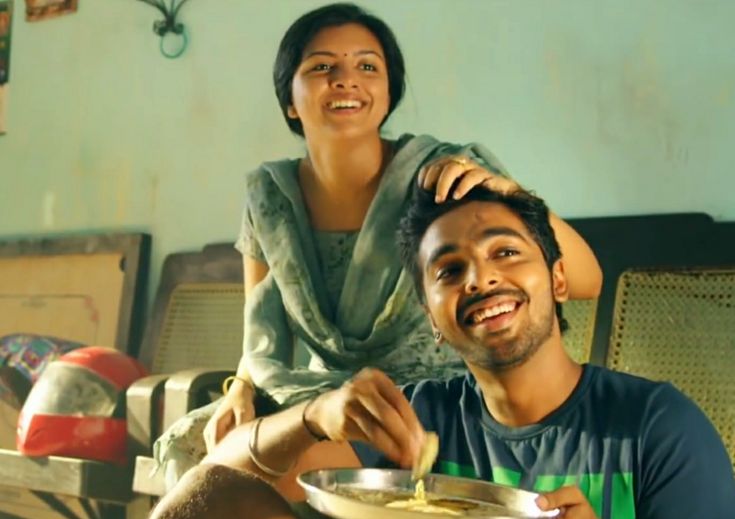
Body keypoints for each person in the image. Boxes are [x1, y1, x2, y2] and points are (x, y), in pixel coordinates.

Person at [152, 2, 602, 487]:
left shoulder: (446, 176)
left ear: (388, 95)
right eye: (322, 67)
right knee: (208, 456)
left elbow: (584, 279)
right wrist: (240, 387)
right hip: (323, 402)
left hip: (442, 403)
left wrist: (508, 191)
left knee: (261, 479)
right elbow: (262, 336)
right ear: (289, 99)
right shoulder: (269, 199)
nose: (346, 79)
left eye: (368, 66)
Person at [151, 185, 735, 519]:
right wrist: (313, 416)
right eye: (450, 269)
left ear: (558, 280)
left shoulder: (658, 428)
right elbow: (219, 476)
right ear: (432, 318)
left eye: (505, 253)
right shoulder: (420, 417)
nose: (479, 279)